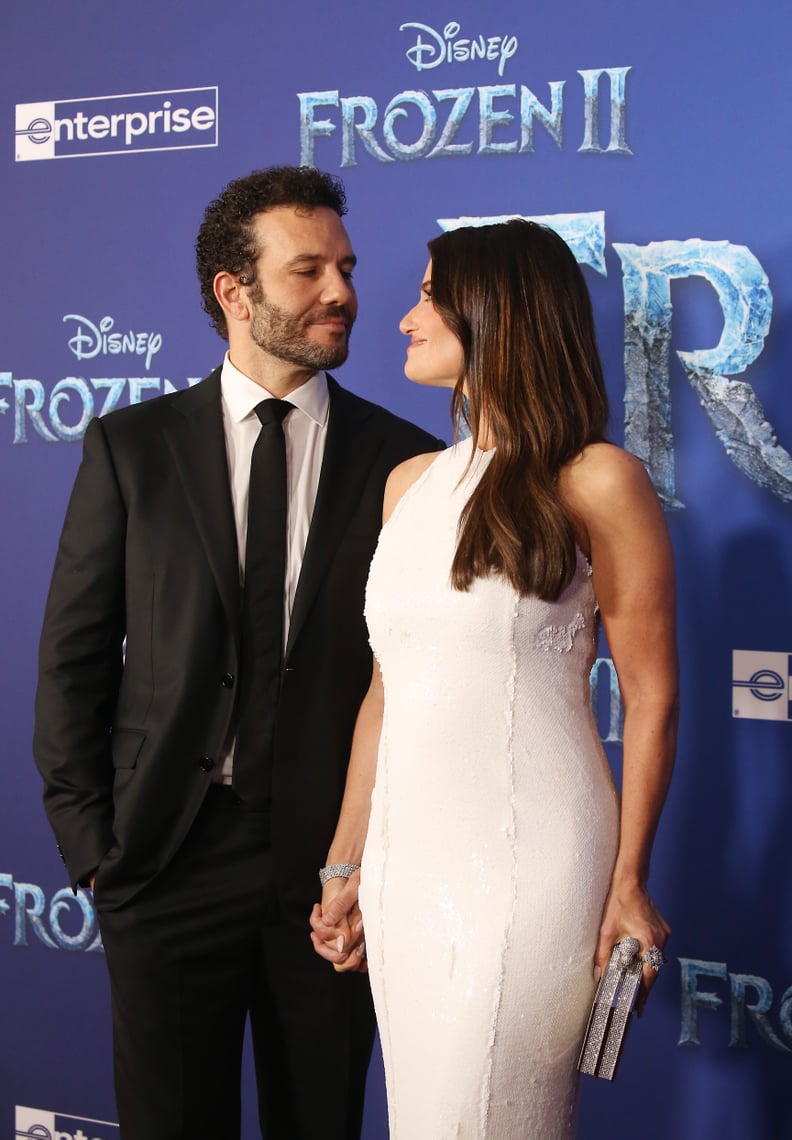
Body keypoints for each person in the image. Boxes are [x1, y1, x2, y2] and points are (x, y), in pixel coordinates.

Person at [33, 165, 442, 1140]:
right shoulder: (132, 447)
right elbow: (73, 659)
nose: (342, 291)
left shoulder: (405, 460)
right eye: (308, 271)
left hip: (333, 874)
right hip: (167, 860)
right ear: (235, 291)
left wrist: (367, 861)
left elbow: (416, 680)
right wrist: (97, 854)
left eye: (345, 266)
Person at [311, 219, 678, 1138]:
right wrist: (347, 862)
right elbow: (384, 696)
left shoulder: (597, 480)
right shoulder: (412, 484)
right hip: (405, 867)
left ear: (499, 311)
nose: (404, 317)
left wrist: (630, 879)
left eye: (430, 294)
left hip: (531, 864)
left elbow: (652, 694)